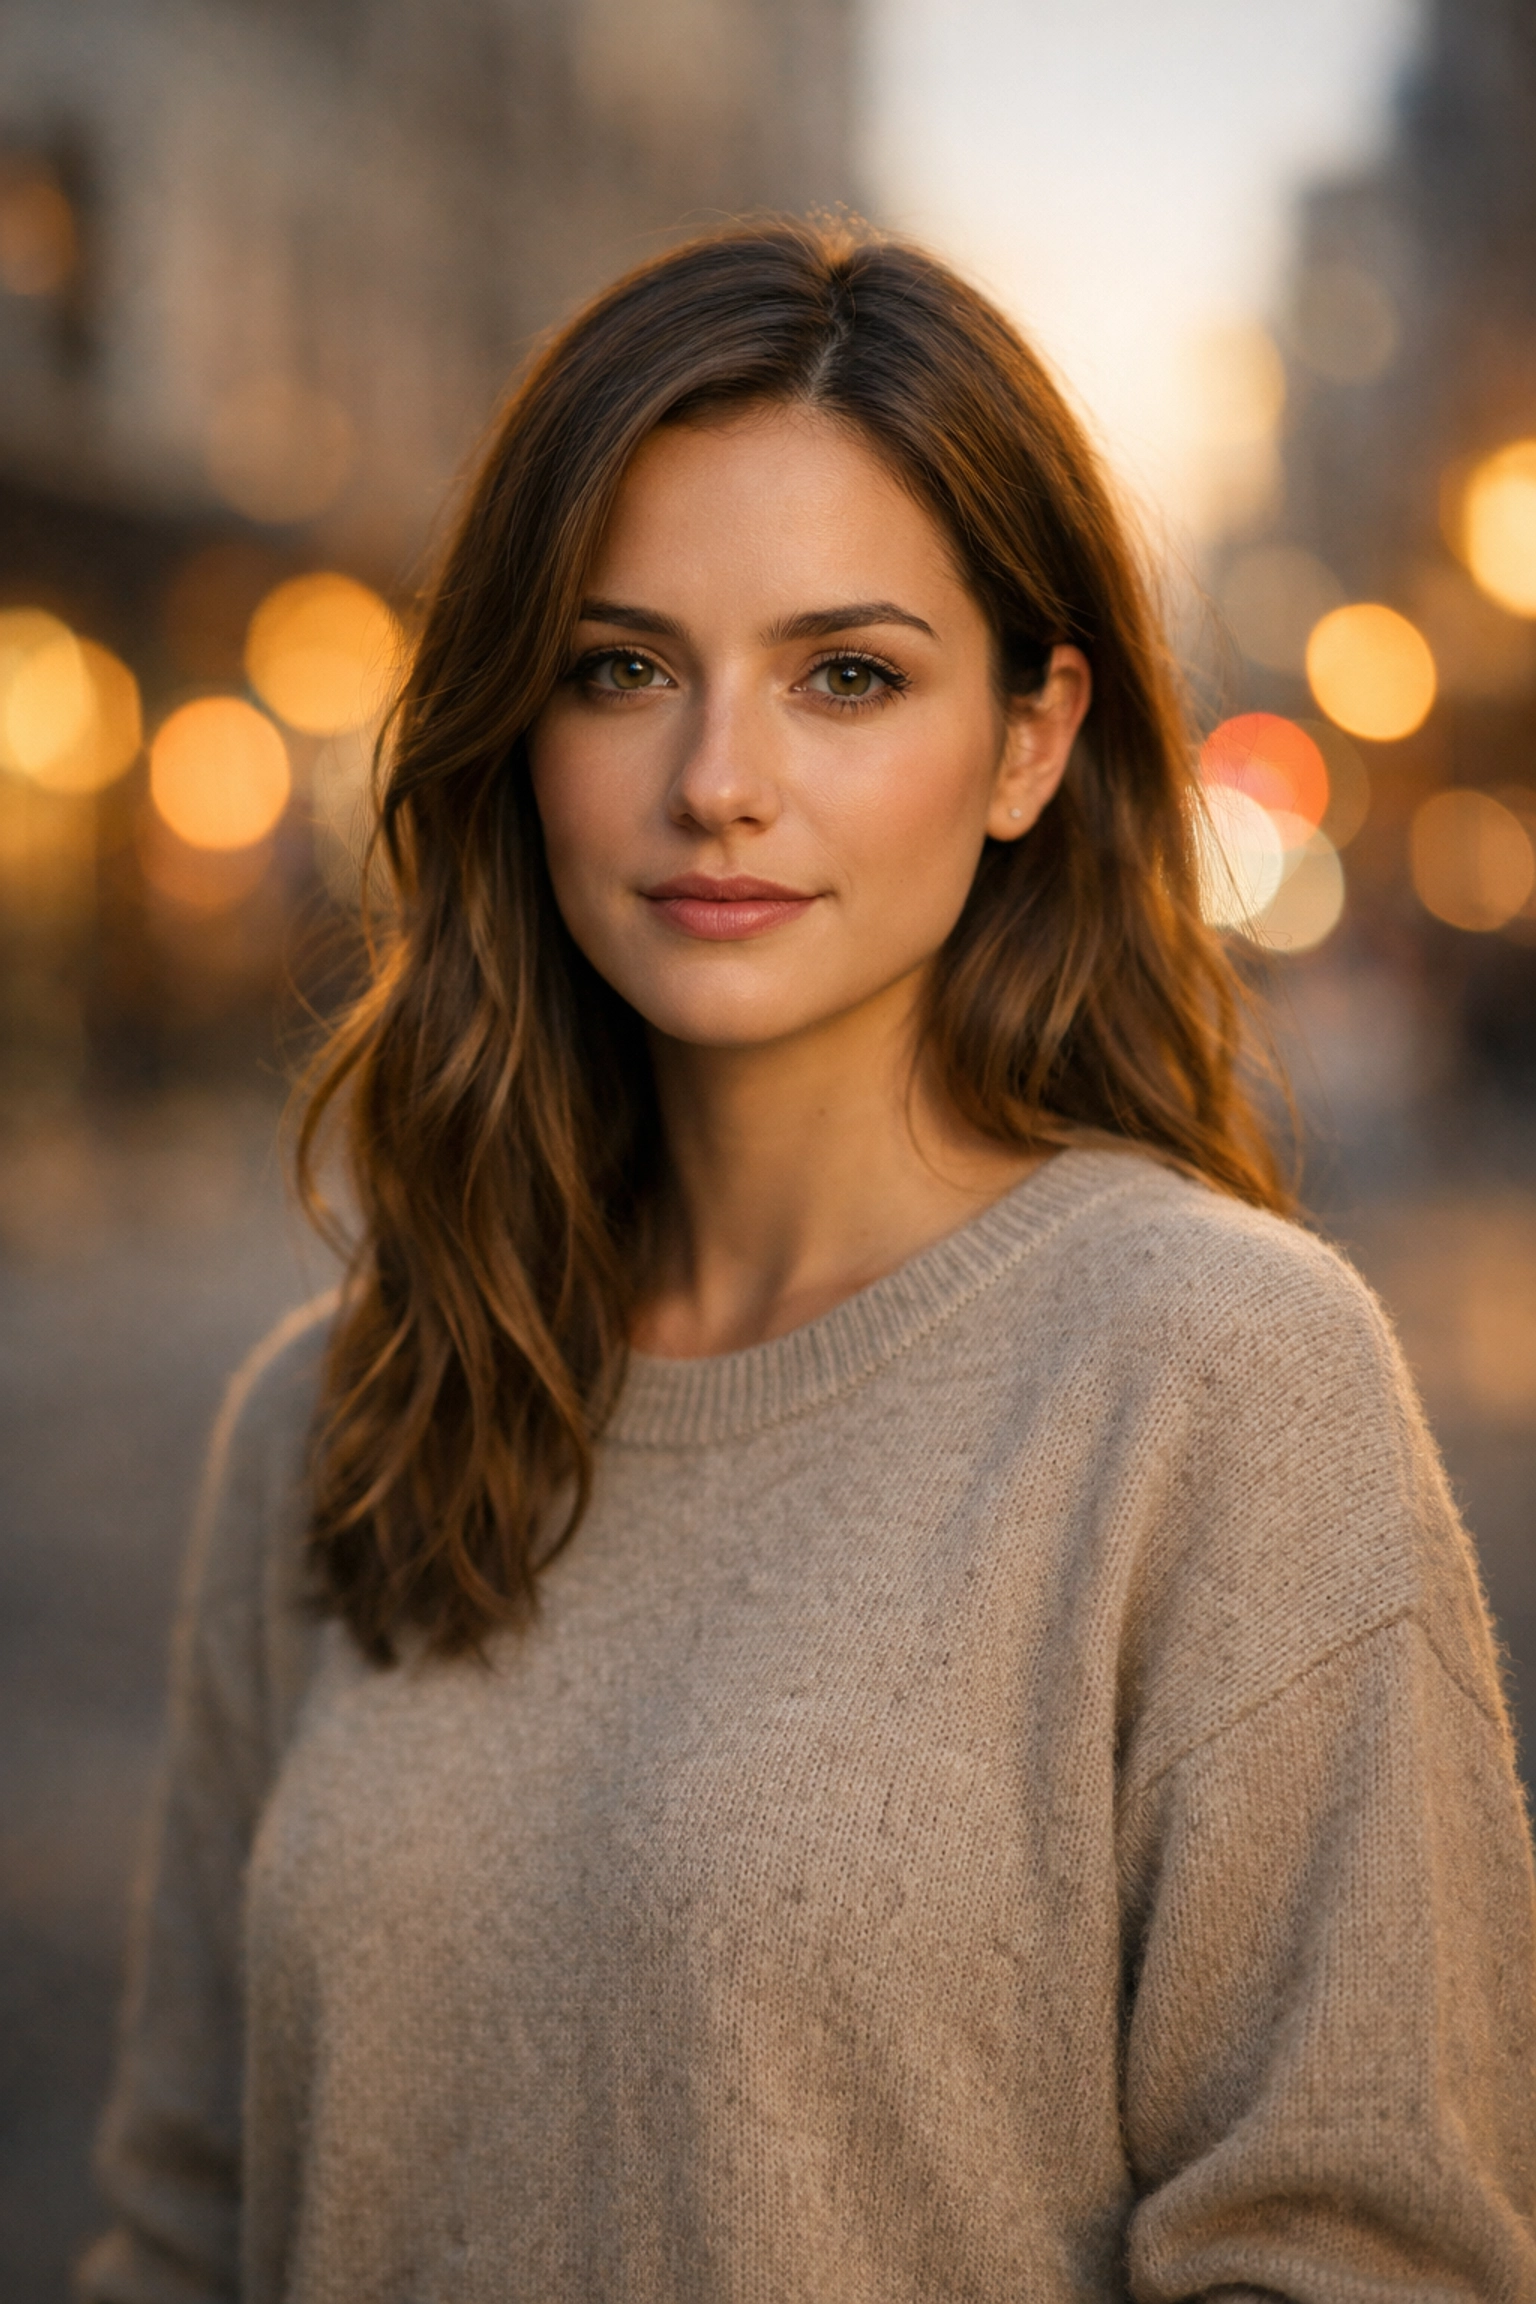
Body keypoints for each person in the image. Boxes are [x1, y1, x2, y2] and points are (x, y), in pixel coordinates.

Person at [83, 218, 1535, 2304]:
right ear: (520, 724)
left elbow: (1364, 2258)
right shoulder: (336, 1416)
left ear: (1033, 739)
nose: (719, 785)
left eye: (846, 675)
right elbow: (190, 2220)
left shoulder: (1218, 1376)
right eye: (623, 668)